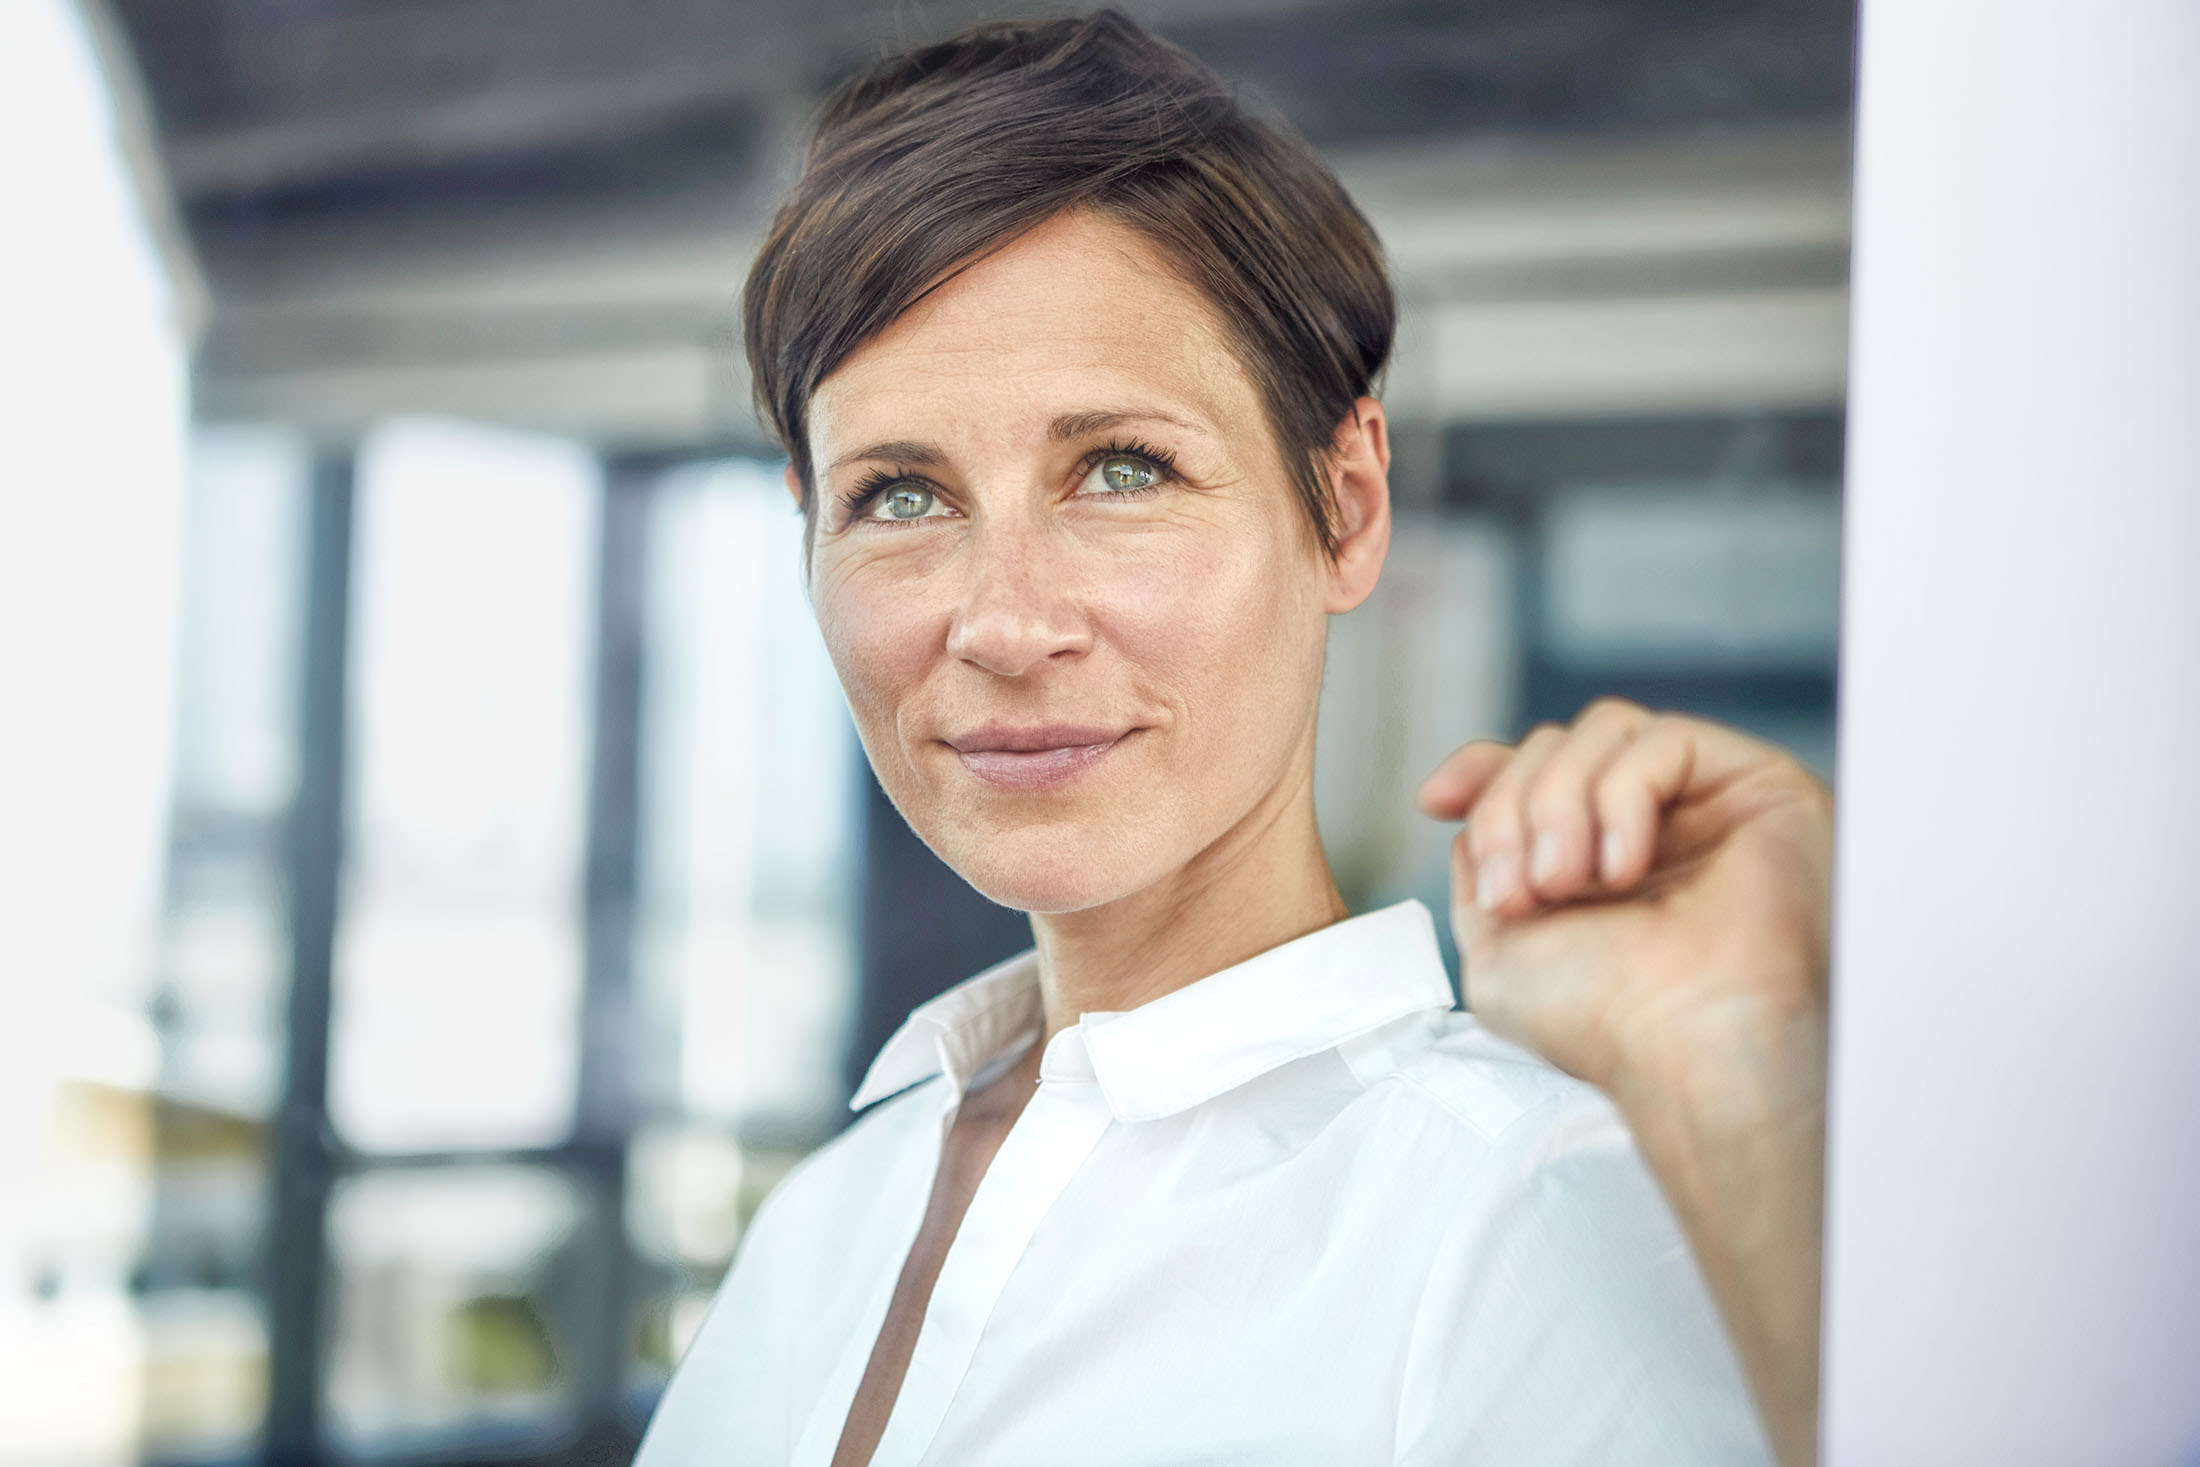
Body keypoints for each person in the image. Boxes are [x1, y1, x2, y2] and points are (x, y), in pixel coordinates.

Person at [636, 11, 1832, 1467]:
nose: (1005, 625)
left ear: (1348, 507)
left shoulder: (1516, 1212)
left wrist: (1757, 1101)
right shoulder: (825, 1221)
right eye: (900, 495)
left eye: (1122, 471)